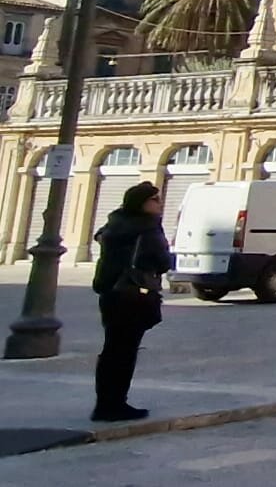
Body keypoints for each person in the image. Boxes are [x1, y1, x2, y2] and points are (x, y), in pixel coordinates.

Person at [92, 181, 172, 422]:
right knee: (125, 352)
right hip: (134, 294)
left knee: (111, 350)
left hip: (111, 292)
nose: (160, 203)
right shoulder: (147, 228)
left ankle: (105, 403)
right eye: (155, 199)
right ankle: (115, 405)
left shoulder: (114, 224)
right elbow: (162, 261)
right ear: (142, 203)